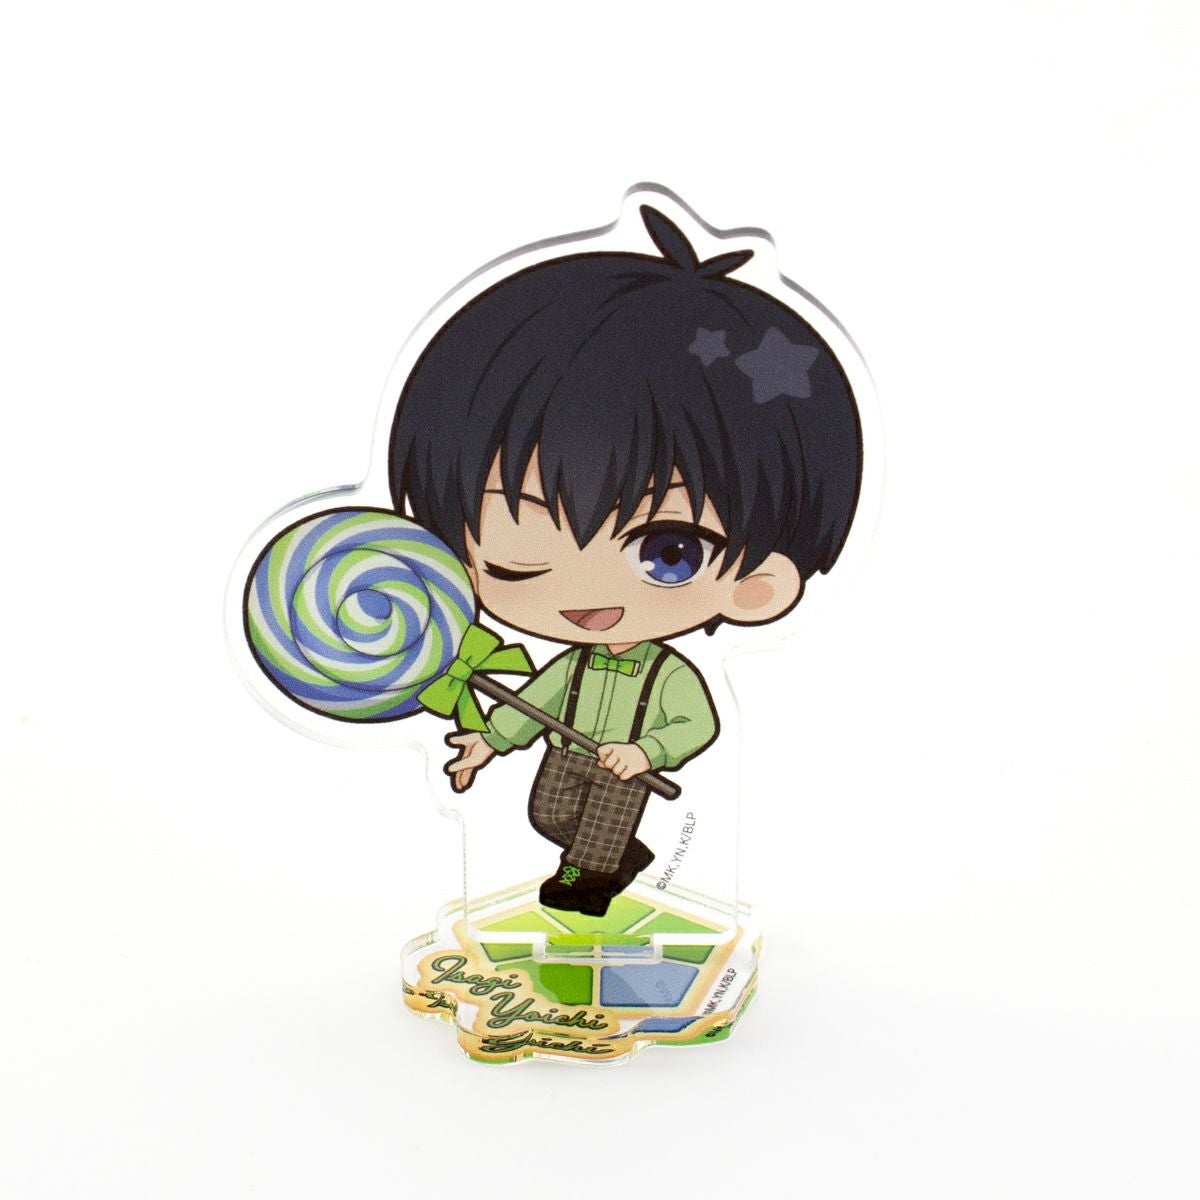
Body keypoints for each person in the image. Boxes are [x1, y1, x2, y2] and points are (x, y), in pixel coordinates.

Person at [388, 205, 863, 916]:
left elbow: (696, 725)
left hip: (624, 765)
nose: (586, 589)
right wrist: (489, 742)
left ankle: (584, 888)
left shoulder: (668, 676)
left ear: (756, 585)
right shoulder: (572, 668)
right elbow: (533, 705)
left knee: (595, 838)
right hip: (568, 755)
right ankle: (610, 860)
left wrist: (648, 753)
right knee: (549, 814)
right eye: (519, 550)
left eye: (668, 550)